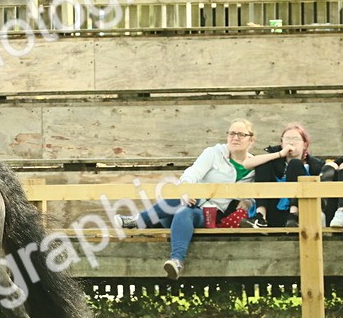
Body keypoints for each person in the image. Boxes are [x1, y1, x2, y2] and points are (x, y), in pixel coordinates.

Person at [118, 120, 281, 279]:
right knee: (178, 201)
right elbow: (192, 174)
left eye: (241, 134)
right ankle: (139, 220)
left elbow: (253, 195)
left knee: (184, 212)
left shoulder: (253, 168)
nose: (235, 138)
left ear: (251, 140)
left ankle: (176, 261)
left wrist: (248, 202)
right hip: (185, 204)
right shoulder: (214, 153)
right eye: (231, 133)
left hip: (208, 214)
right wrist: (186, 190)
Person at [241, 123, 326, 228]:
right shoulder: (275, 161)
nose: (291, 142)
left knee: (295, 164)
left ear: (305, 144)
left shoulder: (314, 165)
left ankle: (293, 215)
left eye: (295, 139)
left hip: (301, 213)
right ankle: (260, 217)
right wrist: (280, 154)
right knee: (263, 163)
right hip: (273, 209)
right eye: (287, 139)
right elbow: (246, 164)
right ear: (281, 143)